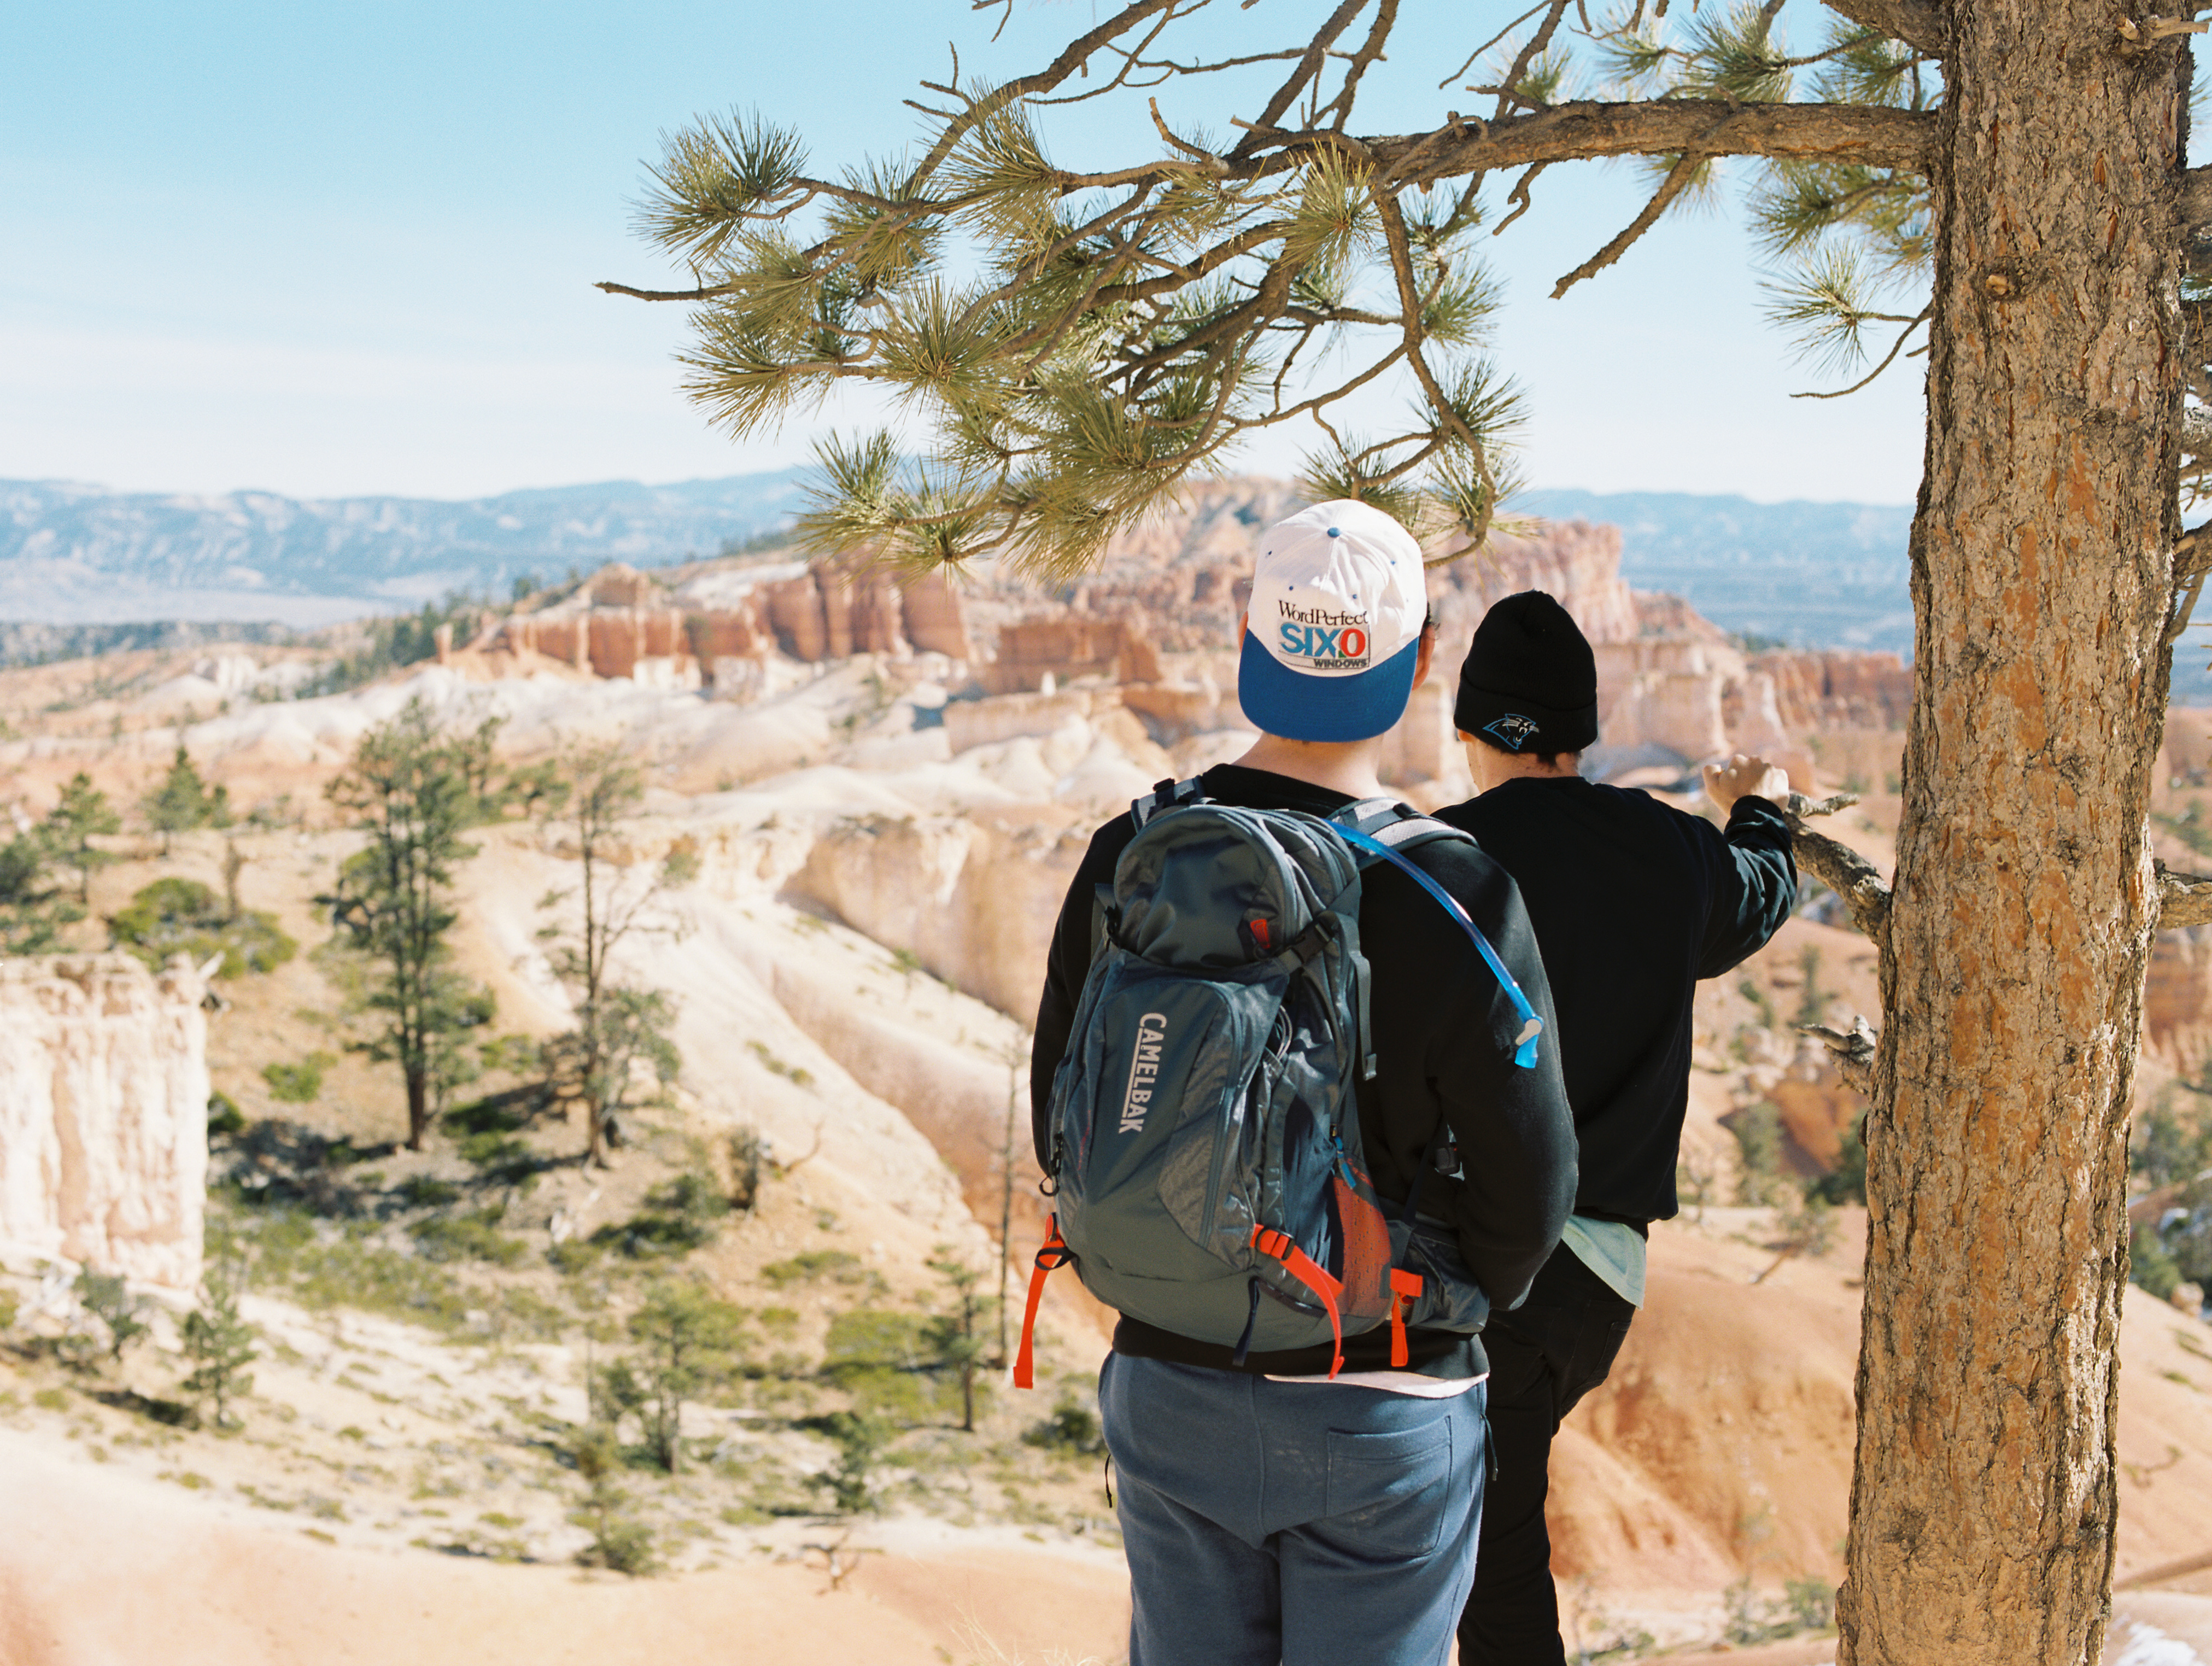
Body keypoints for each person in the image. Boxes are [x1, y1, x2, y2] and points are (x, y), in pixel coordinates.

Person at [1029, 502, 1578, 1666]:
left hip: (1167, 1384)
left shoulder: (1131, 853)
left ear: (1247, 638)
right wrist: (1435, 1303)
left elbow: (1061, 1119)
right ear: (1420, 657)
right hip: (1378, 1400)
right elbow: (1531, 1192)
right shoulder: (1452, 887)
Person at [1436, 589, 1798, 1666]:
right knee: (1480, 1536)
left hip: (1477, 1268)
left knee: (1478, 1561)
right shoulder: (1668, 850)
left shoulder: (1436, 860)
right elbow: (1761, 894)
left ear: (1467, 733)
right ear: (1579, 737)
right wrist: (1759, 808)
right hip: (1599, 1282)